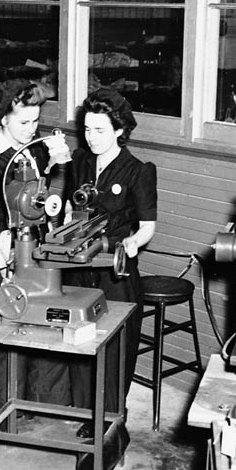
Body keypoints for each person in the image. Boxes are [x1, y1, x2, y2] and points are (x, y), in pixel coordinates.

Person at [0, 78, 71, 413]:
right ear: (3, 119)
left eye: (36, 121)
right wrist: (6, 271)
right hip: (2, 261)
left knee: (41, 331)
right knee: (4, 337)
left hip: (37, 253)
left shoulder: (36, 148)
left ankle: (38, 405)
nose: (32, 129)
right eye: (24, 122)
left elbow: (51, 202)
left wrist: (60, 166)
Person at [62, 87, 157, 438]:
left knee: (115, 346)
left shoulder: (138, 170)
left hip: (115, 270)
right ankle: (90, 411)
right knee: (81, 339)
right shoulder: (80, 162)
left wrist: (133, 242)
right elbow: (73, 209)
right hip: (81, 268)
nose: (92, 137)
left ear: (119, 130)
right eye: (87, 130)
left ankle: (114, 415)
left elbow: (148, 226)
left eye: (100, 130)